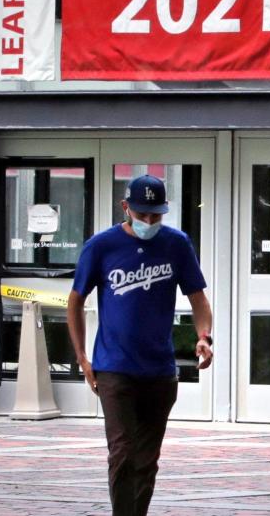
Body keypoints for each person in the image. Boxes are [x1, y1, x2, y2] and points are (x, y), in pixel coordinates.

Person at [66, 174, 214, 516]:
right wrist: (82, 358)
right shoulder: (101, 246)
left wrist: (204, 337)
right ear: (125, 207)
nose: (149, 222)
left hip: (160, 371)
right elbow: (75, 301)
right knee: (122, 453)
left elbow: (198, 299)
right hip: (115, 368)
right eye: (142, 214)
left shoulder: (176, 244)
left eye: (156, 215)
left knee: (147, 460)